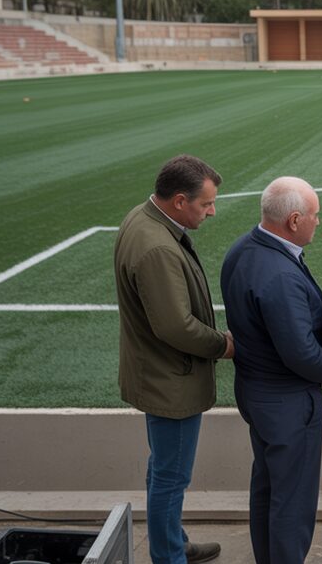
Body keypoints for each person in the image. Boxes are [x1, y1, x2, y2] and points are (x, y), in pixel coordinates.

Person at [220, 177, 322, 564]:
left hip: (257, 393)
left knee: (268, 487)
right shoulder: (279, 273)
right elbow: (300, 353)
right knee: (292, 502)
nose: (318, 222)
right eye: (314, 215)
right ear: (294, 220)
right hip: (288, 401)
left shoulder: (242, 249)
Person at [115, 154, 233, 564]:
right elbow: (176, 327)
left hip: (155, 373)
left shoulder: (143, 219)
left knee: (162, 468)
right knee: (171, 476)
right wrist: (224, 345)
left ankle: (173, 542)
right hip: (171, 381)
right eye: (206, 204)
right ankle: (169, 556)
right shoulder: (157, 247)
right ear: (179, 200)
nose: (212, 211)